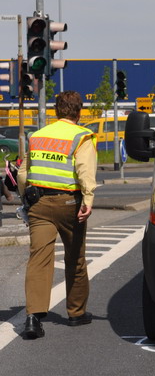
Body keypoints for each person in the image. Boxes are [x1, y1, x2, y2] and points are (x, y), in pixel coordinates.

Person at [17, 91, 97, 340]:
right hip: (69, 204)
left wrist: (25, 199)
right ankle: (76, 313)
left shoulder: (37, 136)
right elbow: (85, 171)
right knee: (75, 258)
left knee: (38, 259)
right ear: (79, 111)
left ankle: (32, 317)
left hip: (39, 203)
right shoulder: (81, 136)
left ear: (56, 111)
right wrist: (88, 199)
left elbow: (22, 173)